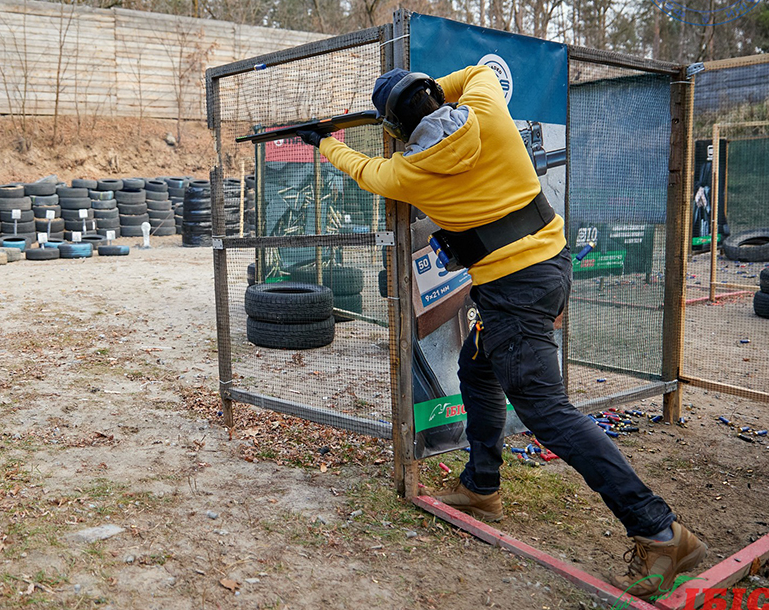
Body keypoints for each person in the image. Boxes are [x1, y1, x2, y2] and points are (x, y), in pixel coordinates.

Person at [295, 66, 706, 599]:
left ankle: (660, 532)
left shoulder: (407, 172)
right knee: (477, 367)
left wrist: (323, 141)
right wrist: (428, 92)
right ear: (435, 96)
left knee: (548, 414)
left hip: (513, 293)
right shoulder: (489, 109)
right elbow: (478, 72)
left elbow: (360, 167)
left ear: (394, 127)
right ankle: (481, 484)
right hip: (549, 266)